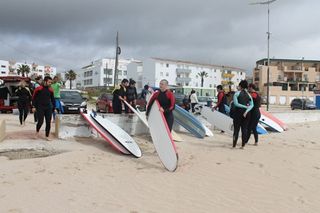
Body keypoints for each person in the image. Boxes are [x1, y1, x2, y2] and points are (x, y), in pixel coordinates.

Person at [32, 76, 56, 141]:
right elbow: (34, 98)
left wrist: (54, 108)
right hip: (40, 107)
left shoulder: (51, 90)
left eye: (51, 82)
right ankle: (37, 132)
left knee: (48, 122)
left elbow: (53, 99)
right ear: (45, 81)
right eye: (49, 82)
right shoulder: (38, 88)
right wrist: (33, 106)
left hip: (48, 107)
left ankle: (47, 136)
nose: (50, 83)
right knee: (40, 121)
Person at [232, 80, 253, 149]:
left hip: (238, 113)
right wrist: (246, 110)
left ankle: (234, 145)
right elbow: (251, 105)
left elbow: (236, 104)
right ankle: (243, 146)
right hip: (247, 114)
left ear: (240, 86)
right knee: (244, 129)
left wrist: (244, 107)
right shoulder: (249, 95)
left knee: (236, 130)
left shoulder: (237, 94)